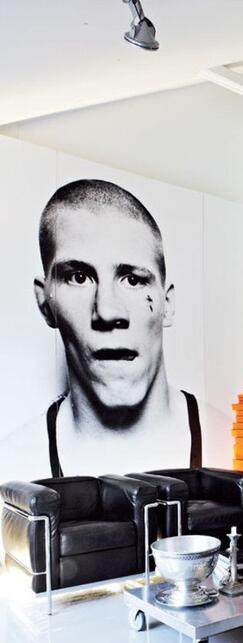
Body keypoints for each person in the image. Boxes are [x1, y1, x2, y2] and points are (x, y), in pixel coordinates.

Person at [0, 179, 198, 479]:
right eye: (78, 277)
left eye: (133, 280)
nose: (107, 311)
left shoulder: (231, 434)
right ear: (45, 303)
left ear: (166, 303)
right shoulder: (10, 469)